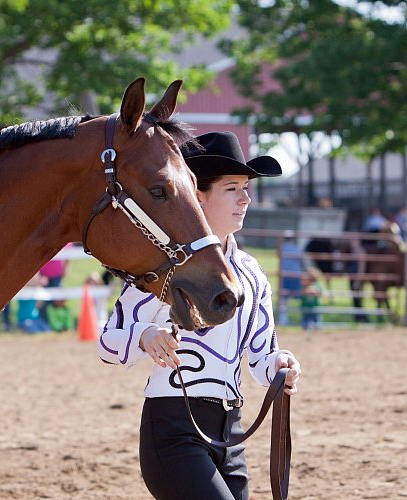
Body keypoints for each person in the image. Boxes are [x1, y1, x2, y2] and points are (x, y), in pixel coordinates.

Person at [98, 131, 301, 500]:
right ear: (198, 196)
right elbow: (108, 344)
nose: (246, 198)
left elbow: (260, 359)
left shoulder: (252, 273)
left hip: (231, 434)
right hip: (173, 431)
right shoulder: (164, 265)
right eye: (232, 188)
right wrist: (144, 336)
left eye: (246, 188)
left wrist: (281, 364)